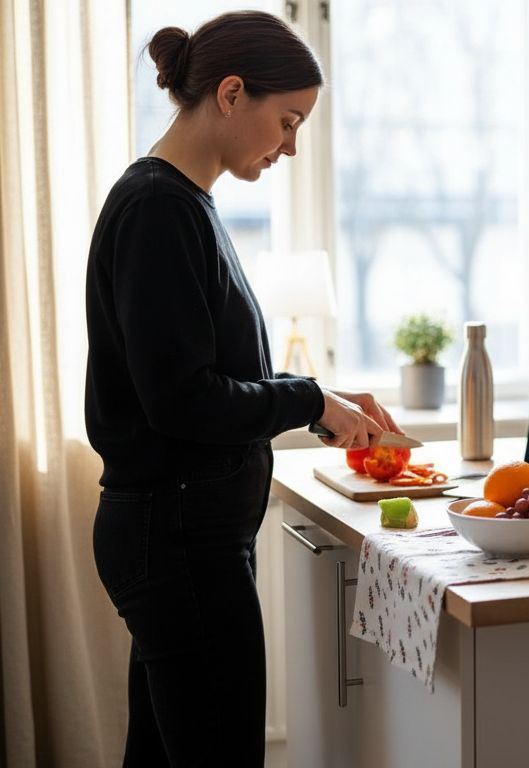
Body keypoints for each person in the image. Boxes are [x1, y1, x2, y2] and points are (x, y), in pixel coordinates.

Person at [84, 12, 399, 766]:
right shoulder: (160, 209)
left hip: (181, 537)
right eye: (286, 121)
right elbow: (184, 400)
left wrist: (323, 400)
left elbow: (209, 376)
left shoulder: (184, 202)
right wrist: (307, 400)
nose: (290, 146)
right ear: (231, 94)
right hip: (179, 540)